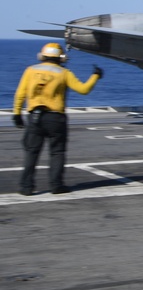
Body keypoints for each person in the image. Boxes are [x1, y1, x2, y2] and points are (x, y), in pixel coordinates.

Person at [12, 42, 102, 195]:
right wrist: (95, 76)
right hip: (55, 119)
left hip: (34, 118)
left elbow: (20, 94)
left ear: (43, 56)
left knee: (31, 152)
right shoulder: (64, 73)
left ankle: (26, 187)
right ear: (61, 58)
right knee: (57, 152)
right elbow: (83, 90)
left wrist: (17, 115)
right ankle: (56, 185)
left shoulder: (30, 70)